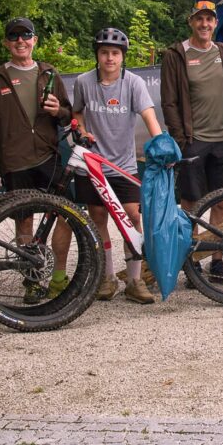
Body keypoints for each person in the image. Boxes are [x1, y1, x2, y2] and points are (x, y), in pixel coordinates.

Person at [0, 17, 73, 300]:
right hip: (15, 160)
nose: (21, 40)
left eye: (26, 35)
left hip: (49, 155)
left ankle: (58, 278)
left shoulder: (50, 73)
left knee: (67, 215)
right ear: (6, 42)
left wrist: (58, 112)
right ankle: (32, 281)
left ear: (35, 40)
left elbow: (68, 115)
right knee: (25, 222)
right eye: (14, 36)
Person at [70, 27, 161, 303]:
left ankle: (135, 280)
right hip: (94, 164)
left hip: (124, 165)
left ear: (122, 56)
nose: (110, 58)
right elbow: (76, 111)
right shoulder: (84, 82)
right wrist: (82, 130)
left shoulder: (133, 82)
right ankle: (107, 277)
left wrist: (160, 145)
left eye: (115, 53)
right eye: (104, 53)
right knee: (98, 219)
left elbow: (149, 115)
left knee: (133, 218)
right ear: (97, 55)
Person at [160, 0, 223, 223]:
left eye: (209, 19)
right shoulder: (175, 54)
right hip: (193, 140)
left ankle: (216, 256)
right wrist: (180, 140)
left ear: (215, 23)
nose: (204, 24)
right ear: (191, 22)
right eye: (199, 19)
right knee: (191, 202)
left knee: (222, 201)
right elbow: (169, 102)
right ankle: (189, 255)